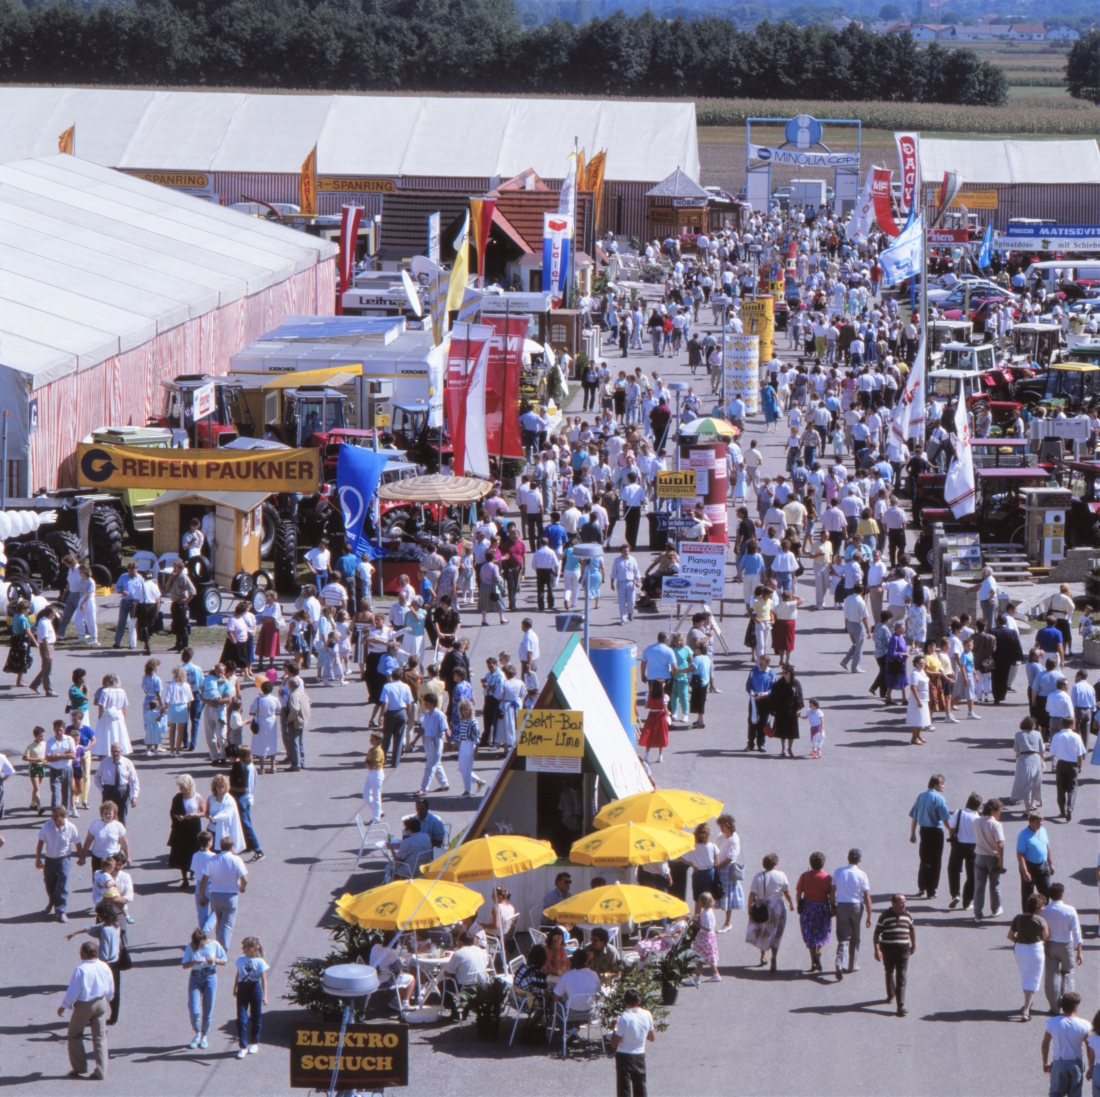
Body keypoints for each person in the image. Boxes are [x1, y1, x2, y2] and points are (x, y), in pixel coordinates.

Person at [59, 941, 114, 1080]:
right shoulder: (104, 966)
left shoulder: (81, 969)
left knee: (74, 1034)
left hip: (85, 1005)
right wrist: (106, 1000)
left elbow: (73, 992)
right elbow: (111, 987)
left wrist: (64, 1005)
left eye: (80, 951)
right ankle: (101, 1070)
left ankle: (79, 1067)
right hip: (101, 1002)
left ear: (84, 953)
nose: (79, 953)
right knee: (100, 1037)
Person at [65, 901, 123, 1026]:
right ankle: (114, 1017)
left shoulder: (105, 930)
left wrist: (96, 962)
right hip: (116, 963)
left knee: (98, 990)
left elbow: (105, 952)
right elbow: (93, 928)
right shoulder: (115, 925)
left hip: (106, 964)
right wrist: (76, 932)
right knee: (115, 990)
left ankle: (95, 1015)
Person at [197, 836, 249, 951]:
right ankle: (222, 950)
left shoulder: (213, 859)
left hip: (215, 895)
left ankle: (217, 947)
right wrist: (242, 887)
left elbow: (204, 878)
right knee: (227, 925)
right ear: (232, 847)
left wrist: (201, 895)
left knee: (220, 922)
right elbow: (244, 879)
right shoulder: (236, 860)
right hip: (230, 896)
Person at [745, 853, 794, 973]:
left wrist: (749, 907)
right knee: (776, 932)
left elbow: (752, 894)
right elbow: (787, 892)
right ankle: (774, 957)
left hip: (761, 906)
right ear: (775, 864)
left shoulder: (758, 876)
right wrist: (791, 903)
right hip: (777, 907)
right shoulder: (781, 875)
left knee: (764, 931)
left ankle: (763, 956)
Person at [181, 927, 228, 1051]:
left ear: (205, 940)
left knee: (208, 1007)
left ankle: (204, 1036)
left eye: (201, 943)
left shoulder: (214, 944)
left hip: (210, 976)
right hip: (195, 978)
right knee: (194, 1009)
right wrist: (194, 962)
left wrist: (214, 960)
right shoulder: (190, 946)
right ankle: (197, 1032)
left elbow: (224, 960)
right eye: (197, 944)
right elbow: (184, 965)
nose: (199, 946)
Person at [830, 847, 872, 981]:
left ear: (848, 858)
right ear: (859, 860)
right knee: (855, 936)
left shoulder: (838, 871)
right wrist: (869, 916)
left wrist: (833, 906)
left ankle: (839, 962)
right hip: (856, 907)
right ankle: (852, 965)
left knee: (843, 937)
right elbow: (867, 897)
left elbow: (832, 891)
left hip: (842, 906)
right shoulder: (862, 874)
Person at [1041, 883, 1083, 1016]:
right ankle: (1068, 1006)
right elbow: (1076, 932)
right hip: (1066, 946)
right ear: (1062, 895)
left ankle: (1054, 1007)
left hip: (1050, 945)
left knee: (1051, 975)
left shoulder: (1045, 910)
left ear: (1050, 895)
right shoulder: (1070, 910)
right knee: (1068, 973)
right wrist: (1079, 952)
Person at [873, 893, 916, 1017]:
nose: (904, 905)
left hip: (903, 950)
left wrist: (914, 945)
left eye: (904, 902)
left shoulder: (908, 915)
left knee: (901, 975)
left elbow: (912, 930)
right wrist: (877, 950)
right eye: (901, 902)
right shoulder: (884, 916)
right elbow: (876, 934)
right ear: (893, 903)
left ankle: (900, 1005)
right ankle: (891, 994)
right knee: (889, 972)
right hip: (888, 949)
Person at [1009, 894, 1050, 1022]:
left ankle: (1027, 1003)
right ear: (1037, 907)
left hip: (1020, 950)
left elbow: (1010, 936)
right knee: (1033, 979)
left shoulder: (1018, 918)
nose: (1043, 908)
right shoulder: (1041, 921)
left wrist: (1019, 941)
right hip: (1035, 950)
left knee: (1025, 976)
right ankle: (1026, 1011)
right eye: (1042, 906)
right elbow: (1046, 936)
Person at [37, 805, 80, 922]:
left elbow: (77, 842)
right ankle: (52, 901)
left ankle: (61, 911)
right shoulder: (47, 826)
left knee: (62, 883)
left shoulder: (70, 827)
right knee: (49, 883)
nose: (54, 818)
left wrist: (81, 857)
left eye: (56, 816)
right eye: (53, 816)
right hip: (49, 859)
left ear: (63, 816)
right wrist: (38, 858)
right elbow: (40, 842)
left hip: (63, 859)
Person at [909, 774, 949, 900]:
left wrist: (912, 833)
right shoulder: (939, 798)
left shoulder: (921, 796)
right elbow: (945, 818)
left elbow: (914, 816)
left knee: (925, 860)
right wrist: (952, 831)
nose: (944, 786)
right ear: (935, 784)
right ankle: (931, 890)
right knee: (935, 861)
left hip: (924, 831)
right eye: (942, 783)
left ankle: (922, 886)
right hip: (936, 832)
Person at [612, 987, 655, 1097]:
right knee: (640, 1087)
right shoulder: (647, 1014)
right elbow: (652, 1037)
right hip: (640, 1055)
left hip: (624, 1056)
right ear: (639, 1000)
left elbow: (614, 1043)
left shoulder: (624, 1018)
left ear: (625, 1002)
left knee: (624, 1088)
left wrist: (616, 1026)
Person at [1044, 993, 1090, 1095]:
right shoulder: (1084, 1024)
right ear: (1076, 1006)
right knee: (1075, 1093)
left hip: (1059, 1063)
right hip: (1075, 1063)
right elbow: (1089, 1047)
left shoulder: (1052, 1022)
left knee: (1056, 1093)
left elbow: (1045, 1043)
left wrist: (1045, 1062)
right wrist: (1091, 1067)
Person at [795, 851, 833, 974]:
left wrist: (799, 906)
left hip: (808, 908)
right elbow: (831, 895)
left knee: (810, 935)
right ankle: (819, 954)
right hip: (822, 908)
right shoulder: (827, 878)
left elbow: (798, 893)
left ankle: (813, 962)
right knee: (824, 933)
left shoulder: (804, 876)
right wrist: (833, 908)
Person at [233, 937, 269, 1059]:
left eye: (245, 947)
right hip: (242, 989)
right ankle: (243, 1047)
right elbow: (238, 974)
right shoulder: (240, 960)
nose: (242, 948)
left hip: (255, 989)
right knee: (241, 1020)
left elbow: (263, 979)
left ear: (252, 948)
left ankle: (254, 1043)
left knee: (256, 1017)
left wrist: (265, 996)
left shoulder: (260, 961)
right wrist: (235, 988)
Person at [168, 774, 206, 888]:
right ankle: (184, 878)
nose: (180, 789)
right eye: (179, 786)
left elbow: (204, 812)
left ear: (188, 786)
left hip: (194, 828)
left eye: (182, 786)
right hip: (181, 829)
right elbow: (173, 811)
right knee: (182, 853)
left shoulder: (197, 797)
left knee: (194, 851)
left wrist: (195, 815)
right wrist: (177, 816)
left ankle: (192, 872)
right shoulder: (177, 797)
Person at [946, 792, 982, 912]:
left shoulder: (958, 812)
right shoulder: (977, 818)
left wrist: (952, 841)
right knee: (971, 874)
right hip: (972, 847)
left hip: (958, 845)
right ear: (978, 806)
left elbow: (951, 829)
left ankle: (955, 894)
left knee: (953, 869)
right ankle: (967, 901)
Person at [973, 798, 1006, 925]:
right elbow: (1000, 844)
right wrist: (1001, 861)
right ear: (993, 811)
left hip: (979, 856)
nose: (999, 814)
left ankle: (977, 914)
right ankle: (995, 909)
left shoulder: (976, 821)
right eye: (998, 811)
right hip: (992, 857)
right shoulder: (996, 825)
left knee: (979, 886)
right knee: (994, 884)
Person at [1050, 712, 1087, 822]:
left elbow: (1053, 752)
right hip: (1072, 765)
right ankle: (1070, 807)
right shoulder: (1076, 737)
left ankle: (1062, 811)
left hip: (1061, 764)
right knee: (1072, 788)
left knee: (1060, 789)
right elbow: (1080, 754)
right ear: (1071, 725)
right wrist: (1080, 766)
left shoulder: (1057, 736)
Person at [93, 742, 139, 826]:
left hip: (123, 790)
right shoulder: (104, 763)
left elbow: (134, 780)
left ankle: (121, 832)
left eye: (117, 751)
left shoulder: (127, 763)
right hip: (108, 791)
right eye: (113, 751)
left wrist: (135, 796)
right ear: (110, 751)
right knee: (107, 815)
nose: (115, 753)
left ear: (121, 751)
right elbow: (97, 777)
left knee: (122, 815)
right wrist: (103, 790)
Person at [1019, 811, 1055, 912]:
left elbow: (1047, 847)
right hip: (1029, 867)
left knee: (1046, 892)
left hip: (1043, 866)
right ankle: (1027, 916)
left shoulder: (1043, 830)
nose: (1041, 823)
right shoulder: (1023, 835)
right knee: (1028, 894)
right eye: (1038, 821)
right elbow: (1020, 854)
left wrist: (1051, 863)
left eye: (1041, 821)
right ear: (1031, 822)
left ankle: (1044, 914)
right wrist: (1025, 872)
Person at [769, 664, 804, 759]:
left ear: (791, 673)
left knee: (792, 730)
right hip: (781, 709)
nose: (784, 674)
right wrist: (772, 710)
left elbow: (799, 697)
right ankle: (783, 749)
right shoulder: (779, 683)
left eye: (786, 672)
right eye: (783, 672)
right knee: (782, 730)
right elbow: (773, 697)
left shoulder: (796, 683)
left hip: (792, 710)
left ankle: (790, 748)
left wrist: (799, 709)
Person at [1012, 717, 1046, 814]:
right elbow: (1042, 748)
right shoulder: (1038, 734)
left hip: (1024, 759)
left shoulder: (1018, 734)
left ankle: (1027, 808)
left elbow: (1016, 748)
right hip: (1035, 758)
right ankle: (1032, 803)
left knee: (1025, 783)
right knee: (1035, 782)